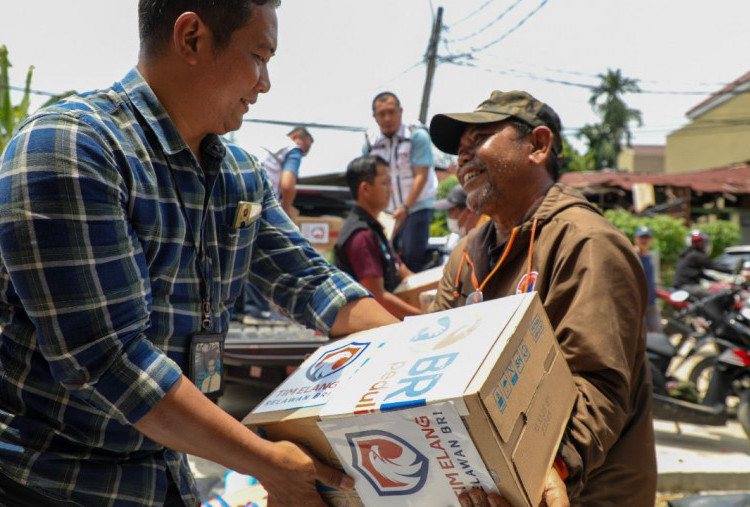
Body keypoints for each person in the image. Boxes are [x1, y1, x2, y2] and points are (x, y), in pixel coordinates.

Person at [0, 1, 398, 506]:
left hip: (165, 476)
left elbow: (311, 281)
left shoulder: (239, 174)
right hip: (50, 483)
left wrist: (431, 357)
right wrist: (265, 462)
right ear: (191, 38)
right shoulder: (72, 148)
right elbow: (111, 358)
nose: (265, 83)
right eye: (258, 56)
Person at [427, 90, 656, 506]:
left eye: (477, 140)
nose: (462, 158)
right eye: (458, 151)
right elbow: (434, 362)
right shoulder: (465, 255)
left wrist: (546, 469)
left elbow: (596, 383)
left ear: (537, 145)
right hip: (495, 487)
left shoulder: (585, 242)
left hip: (580, 493)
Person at [334, 155, 422, 320]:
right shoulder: (361, 235)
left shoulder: (375, 228)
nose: (390, 190)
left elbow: (401, 270)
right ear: (365, 189)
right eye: (384, 183)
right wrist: (424, 317)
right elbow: (377, 297)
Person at [364, 91, 438, 272]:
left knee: (412, 257)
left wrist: (405, 208)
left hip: (416, 208)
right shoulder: (370, 143)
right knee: (386, 261)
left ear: (401, 111)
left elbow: (421, 175)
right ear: (374, 117)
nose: (387, 118)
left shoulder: (416, 136)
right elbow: (368, 179)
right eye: (382, 114)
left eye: (392, 112)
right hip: (387, 213)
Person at [255, 125, 313, 217]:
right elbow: (287, 186)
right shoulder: (293, 149)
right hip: (264, 202)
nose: (303, 153)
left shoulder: (267, 140)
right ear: (295, 136)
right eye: (305, 147)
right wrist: (286, 208)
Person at [673, 229, 733, 298]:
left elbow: (701, 274)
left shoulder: (689, 254)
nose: (702, 244)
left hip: (684, 286)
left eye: (701, 242)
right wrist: (732, 270)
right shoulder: (696, 255)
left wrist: (717, 281)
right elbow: (714, 266)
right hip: (687, 286)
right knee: (717, 296)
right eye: (698, 242)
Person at [435, 184, 484, 254]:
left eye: (451, 213)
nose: (449, 218)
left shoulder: (484, 241)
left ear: (468, 212)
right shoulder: (454, 239)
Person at [634, 225, 663, 332]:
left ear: (651, 240)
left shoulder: (650, 256)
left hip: (651, 302)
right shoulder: (633, 255)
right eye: (641, 237)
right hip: (637, 304)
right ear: (635, 238)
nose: (644, 240)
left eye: (647, 238)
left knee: (657, 332)